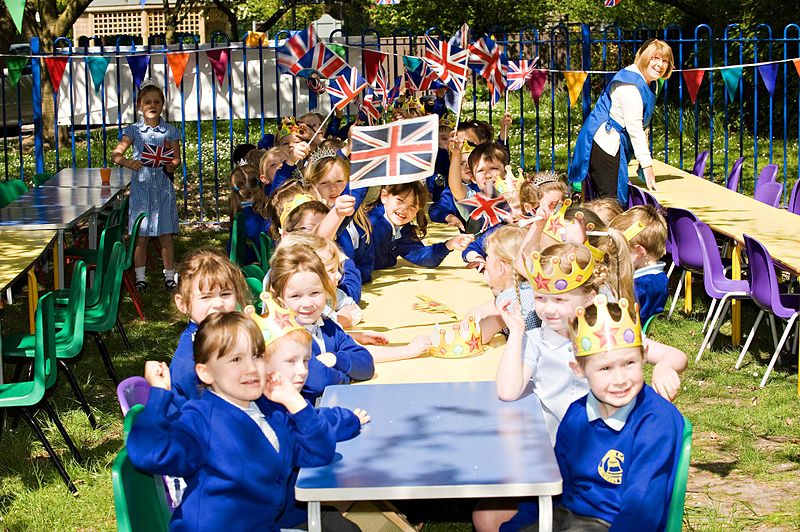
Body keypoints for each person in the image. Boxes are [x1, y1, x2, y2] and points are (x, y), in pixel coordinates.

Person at [127, 312, 337, 531]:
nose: (251, 368)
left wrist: (295, 402)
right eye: (236, 359)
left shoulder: (269, 411)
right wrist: (159, 396)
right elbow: (149, 453)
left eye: (257, 355)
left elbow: (319, 453)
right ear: (206, 373)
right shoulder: (200, 420)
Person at [500, 296, 685, 532]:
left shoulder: (656, 422)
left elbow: (641, 510)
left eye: (629, 363)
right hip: (568, 516)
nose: (620, 379)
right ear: (579, 369)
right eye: (605, 368)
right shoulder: (576, 415)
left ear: (644, 356)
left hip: (614, 524)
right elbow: (553, 485)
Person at [568, 39, 674, 205]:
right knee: (611, 202)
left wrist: (642, 160)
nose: (660, 65)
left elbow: (641, 127)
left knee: (611, 200)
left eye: (665, 61)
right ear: (645, 58)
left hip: (616, 142)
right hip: (605, 143)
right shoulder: (630, 85)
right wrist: (647, 166)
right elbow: (635, 129)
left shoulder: (649, 82)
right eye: (655, 58)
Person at [267, 243, 375, 399]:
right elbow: (317, 381)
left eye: (315, 293)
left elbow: (366, 365)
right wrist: (346, 377)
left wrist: (335, 359)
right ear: (279, 299)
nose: (307, 303)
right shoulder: (282, 336)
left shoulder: (328, 327)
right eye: (295, 296)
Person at [110, 81, 181, 291]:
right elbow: (116, 154)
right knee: (141, 237)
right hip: (141, 190)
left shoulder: (170, 131)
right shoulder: (133, 131)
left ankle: (169, 276)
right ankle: (140, 277)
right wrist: (129, 163)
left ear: (163, 105)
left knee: (165, 236)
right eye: (148, 102)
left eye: (157, 102)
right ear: (140, 105)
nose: (153, 105)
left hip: (163, 190)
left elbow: (176, 159)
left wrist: (171, 164)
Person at [168, 249, 251, 406]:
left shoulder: (233, 334)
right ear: (183, 303)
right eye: (206, 297)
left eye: (226, 294)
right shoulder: (192, 362)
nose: (218, 304)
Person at [366, 181, 473, 281]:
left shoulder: (402, 230)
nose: (404, 209)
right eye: (400, 200)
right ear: (384, 196)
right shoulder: (370, 224)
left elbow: (422, 256)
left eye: (413, 206)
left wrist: (449, 244)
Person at [463, 225, 541, 343]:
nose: (486, 260)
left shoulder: (508, 302)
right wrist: (477, 311)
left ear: (500, 268)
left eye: (487, 256)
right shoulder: (527, 289)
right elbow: (487, 307)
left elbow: (476, 336)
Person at [609, 205, 669, 324]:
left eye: (617, 250)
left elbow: (618, 315)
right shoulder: (657, 279)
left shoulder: (645, 285)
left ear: (638, 251)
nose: (613, 255)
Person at [228, 163, 270, 265]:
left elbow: (231, 249)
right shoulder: (263, 216)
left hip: (245, 266)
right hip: (261, 266)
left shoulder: (240, 216)